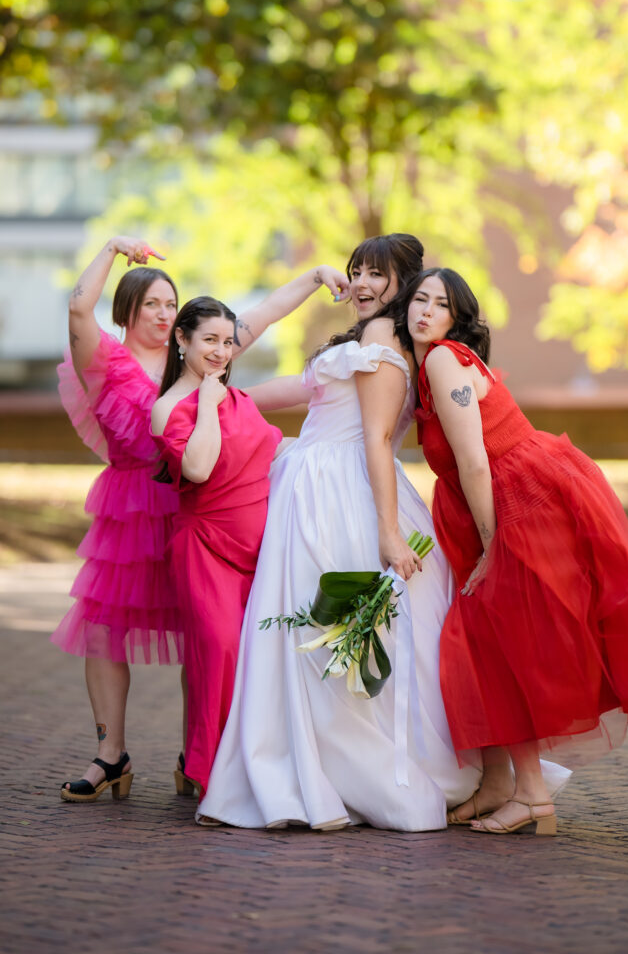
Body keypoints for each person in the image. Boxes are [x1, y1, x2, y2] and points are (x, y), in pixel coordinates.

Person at [197, 233, 570, 831]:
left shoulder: (384, 337)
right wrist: (223, 398)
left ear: (406, 283)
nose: (362, 284)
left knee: (343, 630)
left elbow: (374, 438)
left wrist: (389, 532)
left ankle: (358, 770)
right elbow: (307, 390)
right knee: (356, 634)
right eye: (356, 271)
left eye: (377, 274)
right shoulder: (378, 336)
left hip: (344, 492)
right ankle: (484, 775)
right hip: (321, 483)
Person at [54, 236, 349, 802]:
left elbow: (257, 317)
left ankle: (200, 754)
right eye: (152, 305)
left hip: (195, 506)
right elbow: (76, 306)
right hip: (129, 509)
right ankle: (109, 755)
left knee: (207, 635)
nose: (165, 314)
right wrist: (114, 249)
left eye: (171, 304)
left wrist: (313, 276)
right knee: (105, 631)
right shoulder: (104, 359)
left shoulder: (195, 356)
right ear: (128, 311)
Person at [405, 267, 628, 836]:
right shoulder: (431, 366)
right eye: (420, 299)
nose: (425, 311)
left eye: (440, 304)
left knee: (501, 645)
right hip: (510, 499)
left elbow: (476, 460)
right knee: (499, 644)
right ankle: (506, 784)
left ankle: (530, 794)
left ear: (457, 318)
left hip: (516, 505)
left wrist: (490, 546)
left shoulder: (440, 360)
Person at [151, 297, 282, 796]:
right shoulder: (168, 408)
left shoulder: (242, 400)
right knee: (219, 652)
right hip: (204, 549)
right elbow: (199, 468)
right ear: (181, 339)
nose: (221, 351)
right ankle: (210, 774)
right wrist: (207, 401)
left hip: (258, 553)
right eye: (209, 339)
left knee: (254, 658)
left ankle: (249, 766)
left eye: (228, 342)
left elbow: (271, 451)